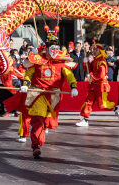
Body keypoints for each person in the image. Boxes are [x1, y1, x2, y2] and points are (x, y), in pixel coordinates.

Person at [20, 25, 78, 159]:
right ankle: (36, 145)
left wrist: (73, 86)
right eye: (52, 48)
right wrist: (25, 84)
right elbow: (29, 73)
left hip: (53, 96)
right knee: (38, 119)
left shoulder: (61, 62)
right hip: (37, 93)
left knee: (46, 122)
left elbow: (69, 75)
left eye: (56, 48)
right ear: (46, 48)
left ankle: (38, 141)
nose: (54, 50)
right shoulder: (38, 60)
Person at [76, 43, 119, 127]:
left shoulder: (102, 61)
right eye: (93, 49)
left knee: (102, 105)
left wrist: (91, 76)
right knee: (88, 102)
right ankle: (85, 119)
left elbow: (101, 75)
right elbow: (88, 69)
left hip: (101, 86)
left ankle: (116, 107)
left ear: (100, 51)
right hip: (93, 85)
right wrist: (86, 62)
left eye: (96, 50)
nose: (94, 51)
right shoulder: (94, 60)